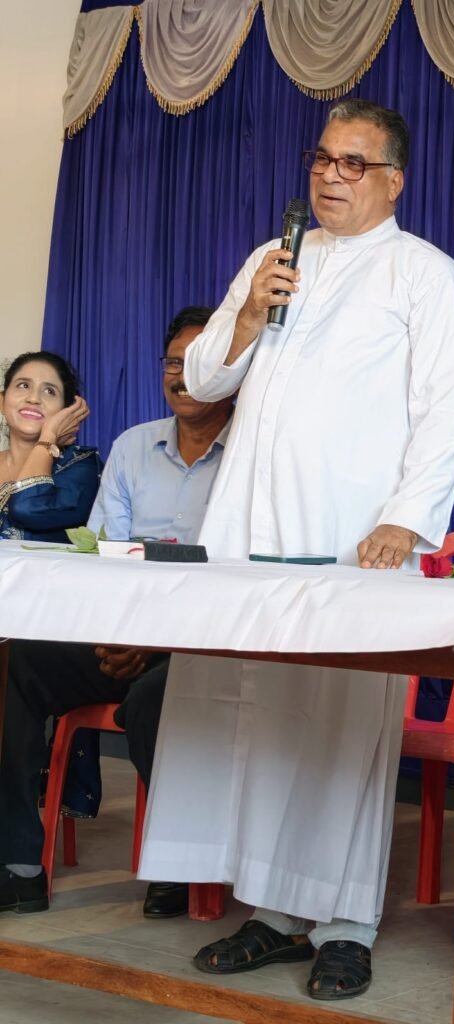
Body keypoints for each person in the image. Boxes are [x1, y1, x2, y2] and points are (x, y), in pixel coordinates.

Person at [139, 99, 454, 1001]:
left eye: (353, 163)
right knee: (256, 718)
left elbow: (445, 410)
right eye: (322, 158)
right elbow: (205, 377)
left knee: (338, 728)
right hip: (250, 527)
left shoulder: (425, 274)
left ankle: (344, 926)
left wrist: (407, 517)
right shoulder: (272, 257)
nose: (330, 175)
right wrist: (251, 312)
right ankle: (273, 909)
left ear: (394, 181)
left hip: (351, 539)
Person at [0, 307, 234, 918]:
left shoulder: (254, 453)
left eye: (200, 362)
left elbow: (238, 573)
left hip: (205, 643)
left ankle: (181, 863)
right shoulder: (134, 447)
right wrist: (115, 634)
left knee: (156, 698)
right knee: (19, 664)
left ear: (231, 369)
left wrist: (153, 643)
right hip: (121, 632)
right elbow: (104, 555)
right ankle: (18, 864)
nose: (183, 375)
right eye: (173, 363)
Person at [0, 351, 97, 542]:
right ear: (2, 402)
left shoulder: (82, 466)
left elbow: (28, 509)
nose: (33, 398)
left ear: (67, 411)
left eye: (49, 391)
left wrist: (48, 436)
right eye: (23, 385)